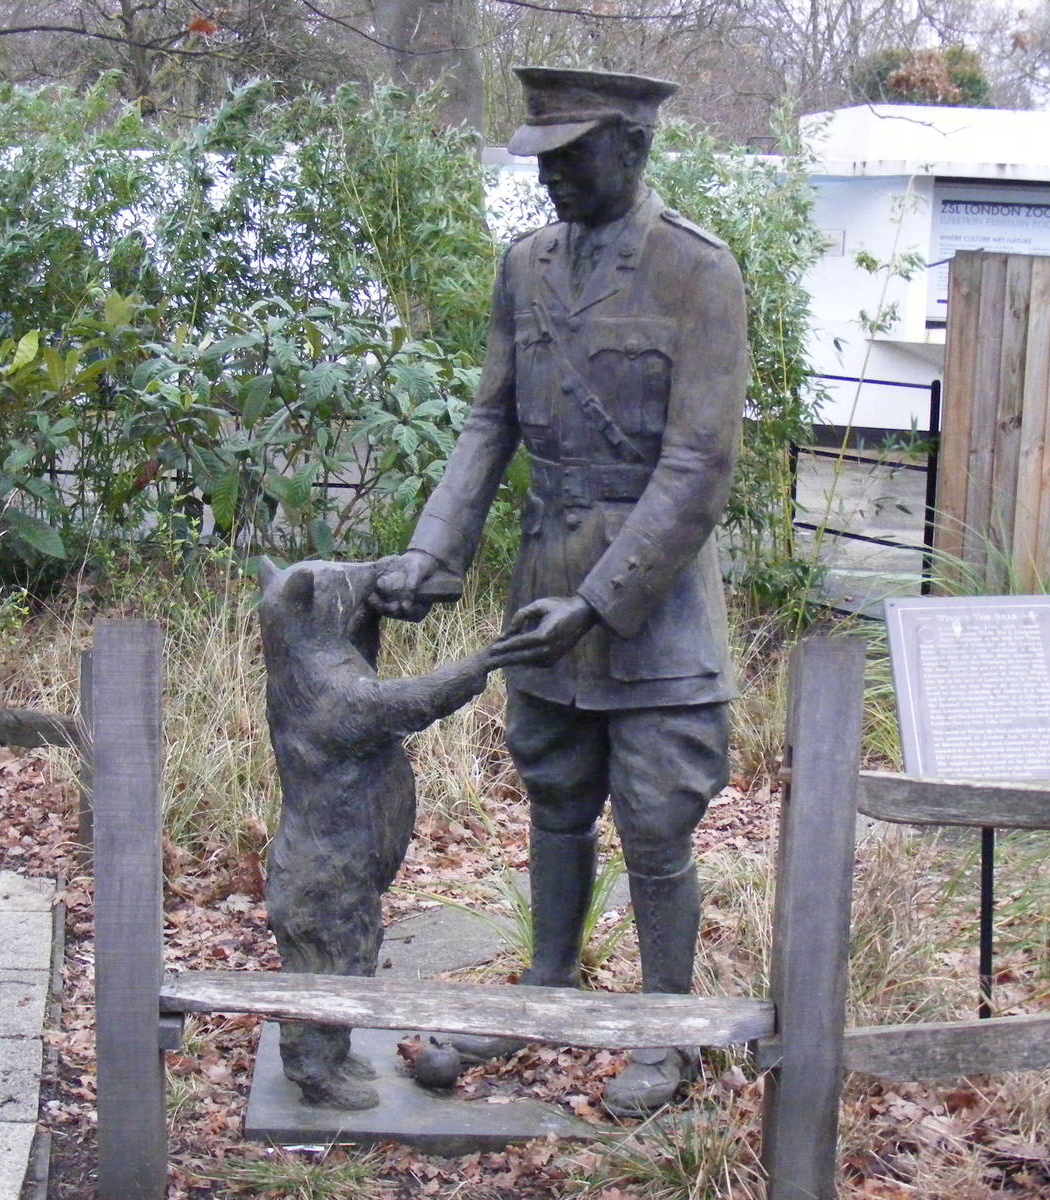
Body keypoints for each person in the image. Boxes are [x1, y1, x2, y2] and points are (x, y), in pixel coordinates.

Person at [371, 65, 748, 1115]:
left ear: (631, 147)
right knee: (554, 797)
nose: (552, 182)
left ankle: (663, 1029)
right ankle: (546, 990)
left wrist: (596, 599)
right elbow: (491, 421)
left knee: (658, 819)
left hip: (653, 604)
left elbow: (696, 469)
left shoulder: (695, 272)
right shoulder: (526, 267)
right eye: (543, 161)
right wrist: (432, 550)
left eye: (572, 157)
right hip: (543, 587)